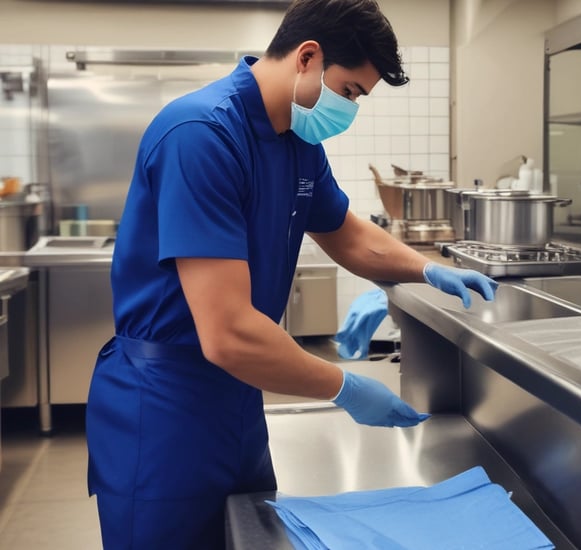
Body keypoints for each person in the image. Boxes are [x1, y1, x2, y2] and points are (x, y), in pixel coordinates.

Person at [85, 0, 498, 548]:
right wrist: (343, 386)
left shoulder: (299, 142)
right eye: (349, 91)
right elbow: (228, 332)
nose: (349, 108)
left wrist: (428, 269)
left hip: (238, 398)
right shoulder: (201, 134)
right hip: (165, 408)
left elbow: (346, 234)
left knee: (247, 535)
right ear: (307, 57)